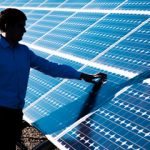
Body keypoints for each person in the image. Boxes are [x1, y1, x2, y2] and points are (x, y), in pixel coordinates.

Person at [0, 8, 107, 150]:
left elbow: (51, 68)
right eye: (20, 26)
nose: (24, 31)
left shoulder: (24, 52)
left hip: (16, 113)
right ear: (7, 26)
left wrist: (81, 75)